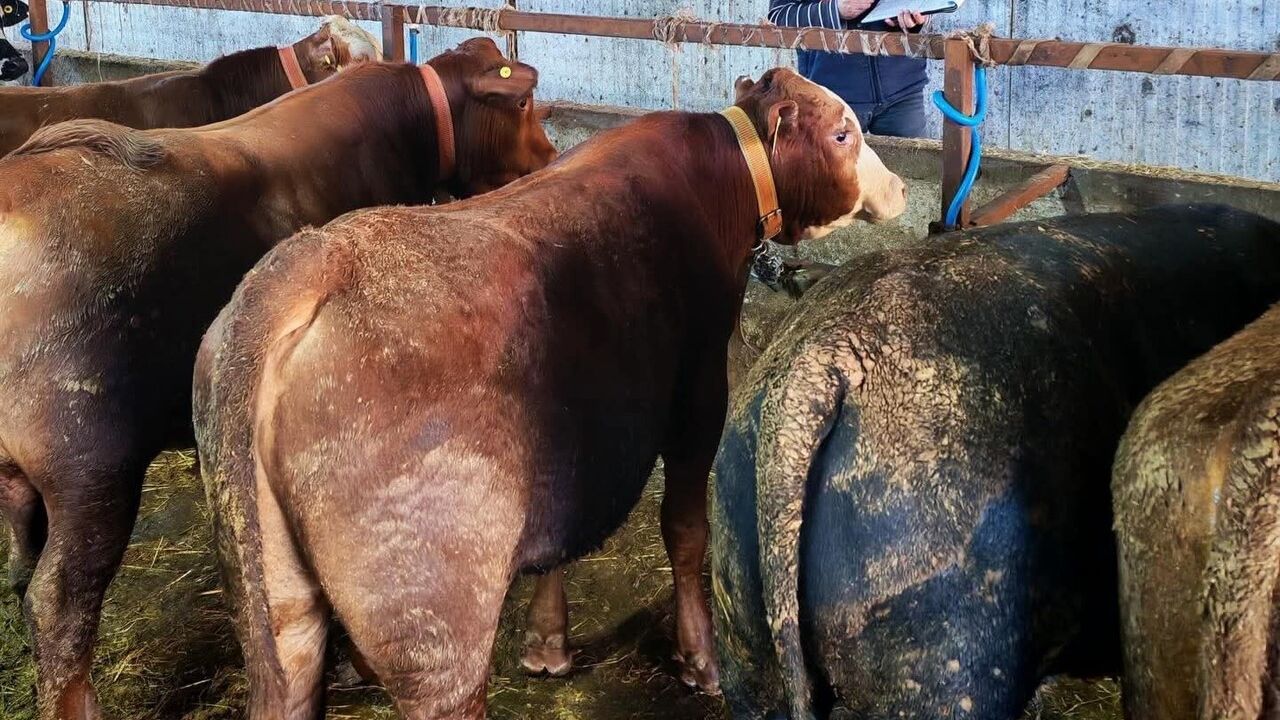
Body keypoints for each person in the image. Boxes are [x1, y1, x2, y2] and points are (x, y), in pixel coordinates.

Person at [768, 0, 933, 138]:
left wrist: (916, 17)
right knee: (827, 169)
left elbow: (926, 6)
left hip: (903, 92)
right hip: (831, 98)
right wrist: (834, 10)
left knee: (913, 166)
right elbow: (779, 16)